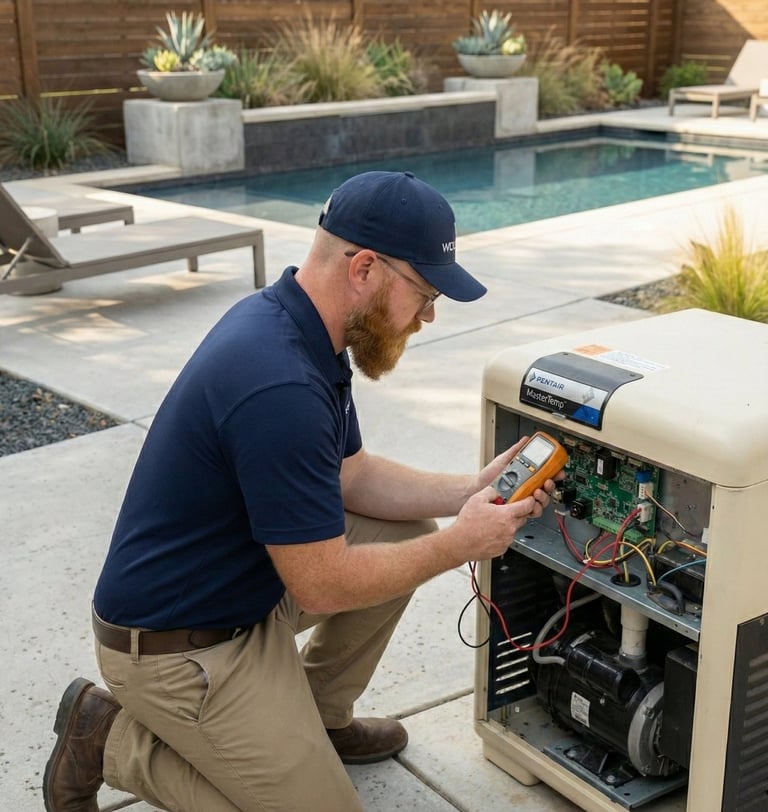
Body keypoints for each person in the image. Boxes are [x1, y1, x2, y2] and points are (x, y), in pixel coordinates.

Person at [43, 170, 557, 812]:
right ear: (364, 269)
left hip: (239, 589)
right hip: (179, 650)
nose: (428, 315)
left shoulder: (303, 326)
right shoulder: (279, 384)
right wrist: (462, 545)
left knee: (401, 531)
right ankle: (107, 740)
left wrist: (469, 491)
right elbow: (322, 586)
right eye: (425, 293)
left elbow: (352, 475)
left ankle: (317, 717)